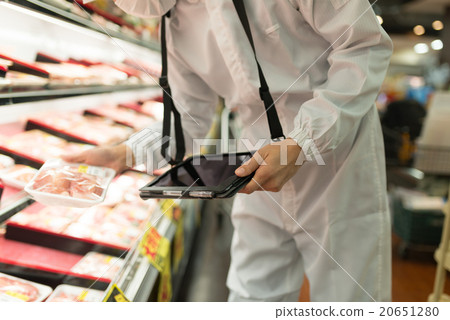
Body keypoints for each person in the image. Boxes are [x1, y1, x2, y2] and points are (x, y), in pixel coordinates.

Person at [64, 0, 393, 302]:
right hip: (253, 167)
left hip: (338, 157)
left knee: (349, 296)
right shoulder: (173, 19)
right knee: (251, 293)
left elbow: (364, 46)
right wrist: (123, 154)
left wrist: (303, 142)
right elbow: (187, 121)